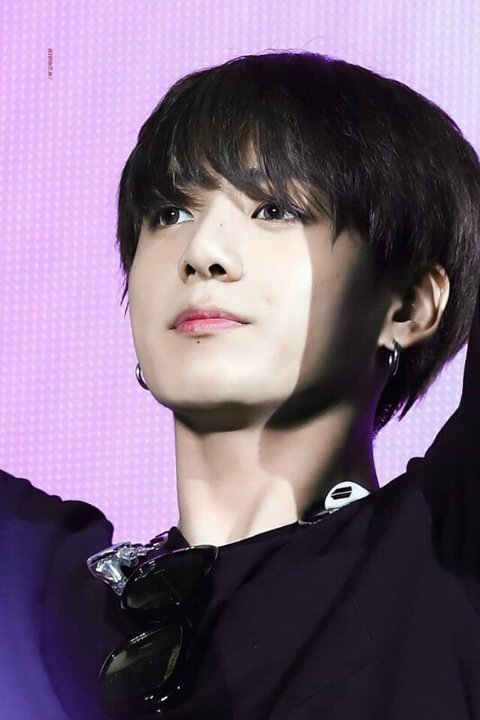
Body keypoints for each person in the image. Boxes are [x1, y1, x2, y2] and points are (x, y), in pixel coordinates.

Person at [1, 50, 480, 719]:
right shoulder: (29, 588)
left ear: (408, 308)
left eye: (275, 209)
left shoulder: (442, 555)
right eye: (170, 214)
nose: (203, 253)